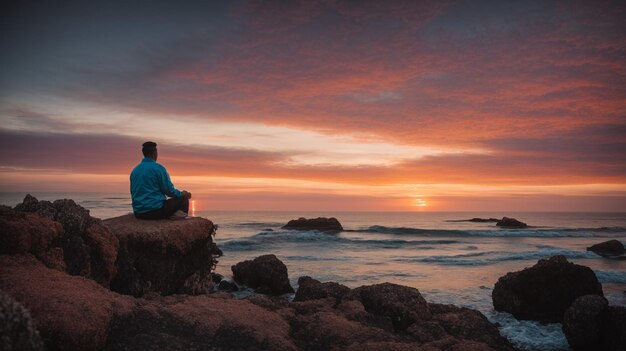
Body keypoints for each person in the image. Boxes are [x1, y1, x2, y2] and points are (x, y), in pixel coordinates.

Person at [130, 141, 192, 219]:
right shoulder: (158, 168)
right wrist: (182, 193)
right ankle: (177, 216)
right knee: (185, 197)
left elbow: (133, 192)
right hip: (155, 212)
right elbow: (169, 191)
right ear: (155, 153)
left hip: (138, 213)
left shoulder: (135, 170)